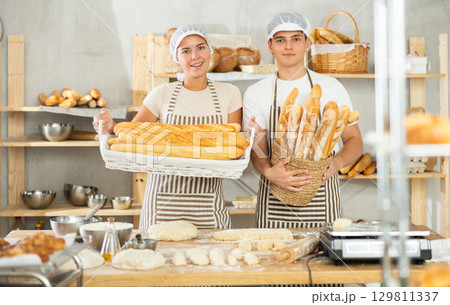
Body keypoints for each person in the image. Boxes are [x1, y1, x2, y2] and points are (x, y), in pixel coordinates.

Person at [93, 24, 242, 230]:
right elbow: (133, 137)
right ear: (177, 58)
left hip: (207, 206)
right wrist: (110, 128)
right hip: (161, 205)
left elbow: (234, 147)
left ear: (210, 50)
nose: (195, 56)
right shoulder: (162, 93)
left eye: (200, 48)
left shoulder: (230, 94)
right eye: (186, 51)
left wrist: (250, 133)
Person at [243, 12, 363, 229]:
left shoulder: (331, 87)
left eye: (296, 39)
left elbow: (354, 140)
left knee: (324, 261)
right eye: (281, 40)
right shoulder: (256, 92)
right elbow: (257, 150)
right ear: (270, 46)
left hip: (323, 197)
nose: (288, 46)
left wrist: (336, 163)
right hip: (274, 204)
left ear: (308, 44)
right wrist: (270, 172)